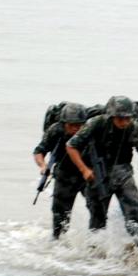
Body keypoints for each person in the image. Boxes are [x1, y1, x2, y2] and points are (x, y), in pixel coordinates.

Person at [65, 95, 138, 236]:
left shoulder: (133, 127)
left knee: (134, 211)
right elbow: (71, 146)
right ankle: (95, 253)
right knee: (97, 220)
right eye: (120, 118)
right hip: (98, 174)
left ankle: (137, 247)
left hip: (123, 172)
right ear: (111, 116)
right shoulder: (96, 123)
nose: (125, 122)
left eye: (128, 118)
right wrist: (84, 170)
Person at [32, 102, 89, 239]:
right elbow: (39, 151)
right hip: (65, 174)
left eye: (79, 125)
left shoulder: (90, 130)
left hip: (87, 173)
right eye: (71, 125)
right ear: (64, 123)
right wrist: (43, 166)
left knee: (98, 208)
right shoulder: (55, 130)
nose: (76, 129)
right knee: (60, 218)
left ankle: (96, 242)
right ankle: (58, 246)